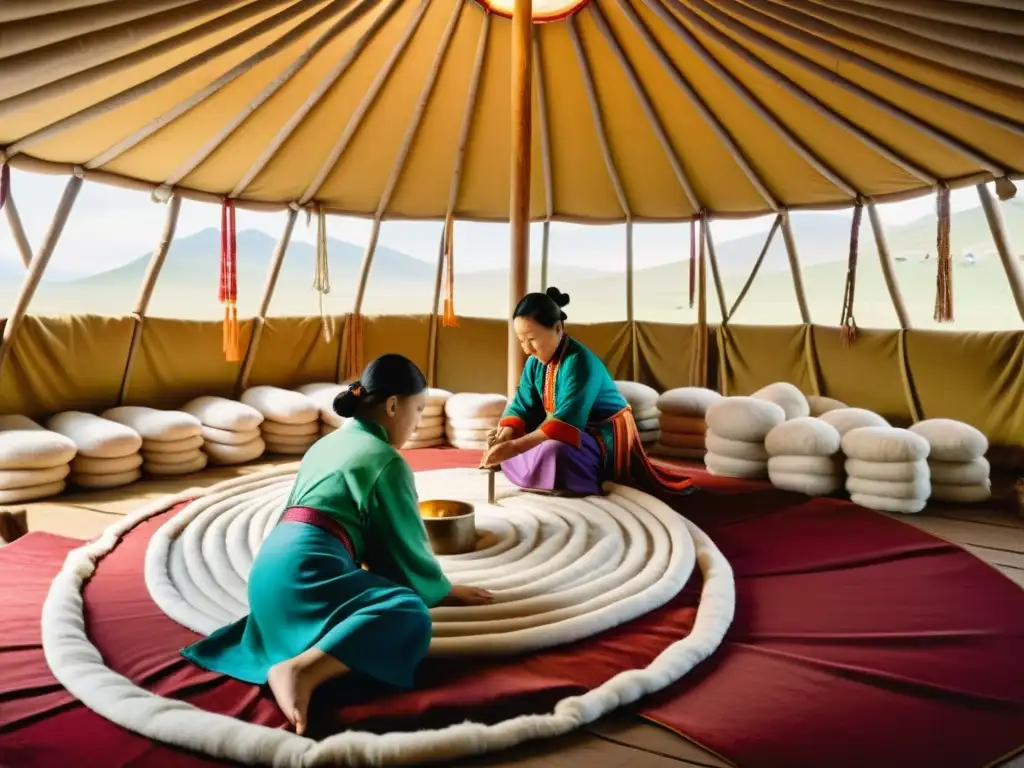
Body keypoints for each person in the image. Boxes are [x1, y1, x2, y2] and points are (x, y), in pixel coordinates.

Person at [181, 354, 493, 735]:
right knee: (408, 610)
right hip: (305, 573)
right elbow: (401, 545)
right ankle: (300, 669)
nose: (416, 423)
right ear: (393, 405)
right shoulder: (386, 460)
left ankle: (296, 648)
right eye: (418, 410)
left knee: (372, 595)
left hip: (268, 576)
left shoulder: (328, 443)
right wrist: (441, 590)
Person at [481, 287, 695, 497]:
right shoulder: (534, 363)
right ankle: (536, 470)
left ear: (558, 328)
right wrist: (506, 436)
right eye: (521, 340)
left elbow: (565, 421)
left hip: (601, 432)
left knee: (556, 452)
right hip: (562, 429)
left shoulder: (580, 362)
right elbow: (522, 404)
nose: (527, 349)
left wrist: (514, 448)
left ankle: (555, 474)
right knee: (507, 438)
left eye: (533, 339)